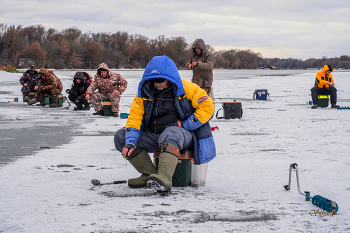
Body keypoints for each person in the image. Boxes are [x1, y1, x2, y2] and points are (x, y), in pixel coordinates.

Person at [114, 55, 216, 195]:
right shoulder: (144, 93)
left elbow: (207, 106)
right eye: (153, 80)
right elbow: (135, 118)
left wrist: (187, 124)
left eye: (160, 80)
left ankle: (164, 177)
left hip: (181, 135)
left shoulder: (188, 88)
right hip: (154, 135)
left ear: (169, 77)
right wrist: (131, 142)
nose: (157, 84)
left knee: (170, 133)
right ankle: (149, 175)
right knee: (121, 136)